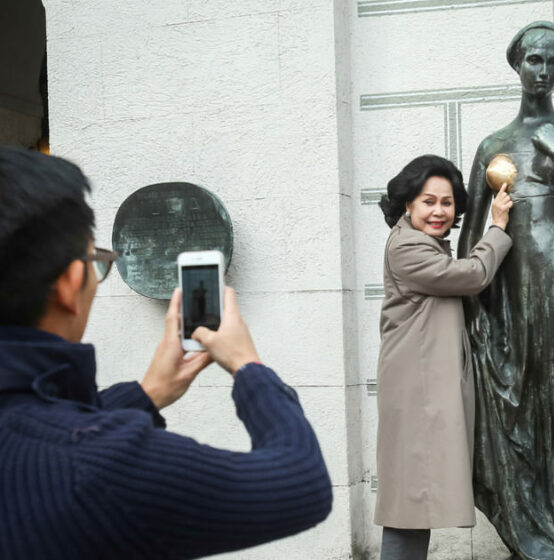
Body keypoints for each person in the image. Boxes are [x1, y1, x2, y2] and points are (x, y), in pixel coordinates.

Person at [0, 146, 332, 559]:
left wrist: (147, 393)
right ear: (70, 284)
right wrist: (249, 368)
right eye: (95, 261)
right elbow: (300, 485)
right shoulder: (98, 469)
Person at [458, 22, 554, 559]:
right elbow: (470, 231)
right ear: (516, 64)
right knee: (517, 405)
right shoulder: (492, 145)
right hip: (509, 285)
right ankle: (529, 530)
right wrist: (468, 304)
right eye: (533, 60)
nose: (543, 70)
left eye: (552, 61)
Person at [374, 154, 513, 560]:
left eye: (447, 202)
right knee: (407, 501)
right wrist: (498, 228)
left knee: (416, 500)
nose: (439, 211)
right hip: (415, 390)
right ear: (408, 205)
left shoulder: (422, 242)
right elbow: (472, 276)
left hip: (423, 386)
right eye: (428, 201)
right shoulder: (408, 249)